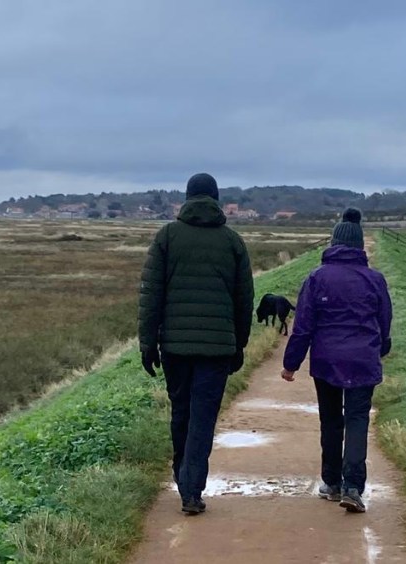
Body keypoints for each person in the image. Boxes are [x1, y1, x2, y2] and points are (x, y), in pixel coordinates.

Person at [139, 172, 254, 515]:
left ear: (187, 198)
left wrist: (148, 343)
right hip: (217, 348)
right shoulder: (232, 241)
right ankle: (192, 489)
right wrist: (239, 344)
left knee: (181, 411)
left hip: (174, 346)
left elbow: (151, 294)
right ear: (216, 199)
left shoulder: (167, 236)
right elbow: (244, 300)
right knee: (203, 417)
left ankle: (182, 476)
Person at [281, 208, 392, 513]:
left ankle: (331, 482)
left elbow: (303, 326)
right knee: (357, 419)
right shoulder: (375, 279)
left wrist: (291, 363)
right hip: (363, 359)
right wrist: (380, 349)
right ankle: (353, 486)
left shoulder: (317, 277)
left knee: (330, 420)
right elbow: (384, 322)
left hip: (327, 360)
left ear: (333, 243)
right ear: (359, 246)